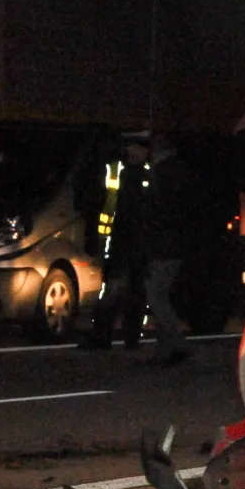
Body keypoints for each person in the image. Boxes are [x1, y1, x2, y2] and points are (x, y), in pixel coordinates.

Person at [83, 135, 150, 349]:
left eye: (138, 147)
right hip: (117, 241)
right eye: (130, 146)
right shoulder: (113, 170)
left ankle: (130, 337)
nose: (133, 151)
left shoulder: (151, 174)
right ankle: (102, 336)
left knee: (136, 293)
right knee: (113, 289)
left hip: (139, 244)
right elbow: (98, 203)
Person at [141, 133, 197, 366]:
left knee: (155, 297)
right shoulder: (178, 171)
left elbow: (158, 211)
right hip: (175, 244)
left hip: (165, 245)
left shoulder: (164, 173)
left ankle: (177, 345)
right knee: (161, 297)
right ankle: (166, 351)